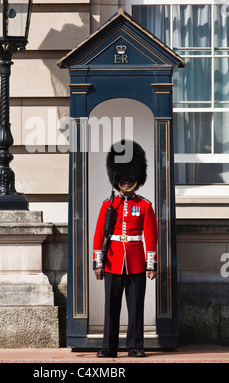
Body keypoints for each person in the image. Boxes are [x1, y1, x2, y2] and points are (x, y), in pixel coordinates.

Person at [93, 140, 158, 358]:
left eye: (130, 178)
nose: (127, 182)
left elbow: (151, 237)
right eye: (122, 178)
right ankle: (108, 347)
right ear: (116, 179)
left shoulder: (145, 206)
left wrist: (151, 265)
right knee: (111, 308)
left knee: (135, 307)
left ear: (137, 179)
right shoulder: (107, 205)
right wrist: (98, 263)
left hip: (136, 262)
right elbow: (99, 235)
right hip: (112, 261)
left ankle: (135, 346)